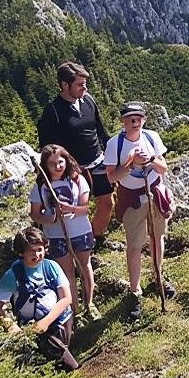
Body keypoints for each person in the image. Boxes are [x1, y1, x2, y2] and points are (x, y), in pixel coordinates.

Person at [104, 101, 175, 318]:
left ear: (144, 120)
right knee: (135, 245)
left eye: (138, 118)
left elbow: (163, 167)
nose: (135, 122)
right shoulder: (114, 144)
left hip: (154, 193)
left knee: (157, 237)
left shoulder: (152, 138)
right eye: (130, 118)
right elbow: (112, 177)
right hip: (132, 199)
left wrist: (151, 159)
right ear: (123, 121)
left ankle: (157, 277)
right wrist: (131, 163)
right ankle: (135, 290)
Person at [36, 62, 115, 245]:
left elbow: (100, 131)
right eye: (80, 84)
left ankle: (93, 239)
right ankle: (69, 242)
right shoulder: (53, 111)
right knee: (75, 210)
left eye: (85, 83)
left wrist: (113, 154)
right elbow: (47, 148)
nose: (84, 88)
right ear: (65, 85)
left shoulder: (88, 100)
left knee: (106, 203)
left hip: (97, 162)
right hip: (72, 169)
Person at [0, 227, 78, 370]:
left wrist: (45, 323)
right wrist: (13, 330)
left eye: (40, 249)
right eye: (32, 251)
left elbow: (66, 298)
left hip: (60, 320)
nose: (37, 254)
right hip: (31, 327)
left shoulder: (51, 267)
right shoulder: (13, 275)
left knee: (58, 352)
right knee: (56, 357)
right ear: (21, 253)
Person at [30, 144, 99, 323]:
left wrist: (70, 208)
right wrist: (51, 218)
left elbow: (85, 209)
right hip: (54, 236)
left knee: (85, 266)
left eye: (60, 162)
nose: (58, 166)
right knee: (66, 273)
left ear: (66, 161)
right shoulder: (40, 186)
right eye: (52, 163)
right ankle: (74, 310)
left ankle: (89, 303)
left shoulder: (77, 179)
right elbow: (35, 214)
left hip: (80, 231)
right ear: (45, 165)